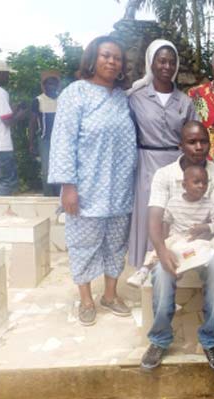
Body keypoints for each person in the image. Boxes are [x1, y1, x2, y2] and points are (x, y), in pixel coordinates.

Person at [48, 36, 137, 326]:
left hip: (119, 188)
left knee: (116, 244)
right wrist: (68, 186)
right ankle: (86, 299)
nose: (112, 61)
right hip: (86, 187)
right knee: (83, 244)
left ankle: (110, 295)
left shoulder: (122, 97)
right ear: (92, 59)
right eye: (106, 55)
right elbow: (64, 141)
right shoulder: (76, 94)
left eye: (117, 58)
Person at [141, 121, 214, 373]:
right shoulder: (164, 174)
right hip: (175, 243)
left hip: (206, 242)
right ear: (181, 145)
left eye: (203, 141)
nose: (199, 147)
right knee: (161, 273)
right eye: (192, 142)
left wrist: (202, 236)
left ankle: (211, 340)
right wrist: (162, 250)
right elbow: (155, 215)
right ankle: (159, 339)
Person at [126, 39, 199, 287]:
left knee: (174, 217)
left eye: (172, 62)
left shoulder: (184, 101)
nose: (167, 66)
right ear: (151, 62)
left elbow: (194, 135)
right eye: (162, 61)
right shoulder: (136, 98)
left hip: (177, 164)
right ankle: (146, 273)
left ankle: (173, 272)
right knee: (150, 215)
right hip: (147, 162)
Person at [0, 59, 26, 196]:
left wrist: (13, 109)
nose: (8, 77)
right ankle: (0, 208)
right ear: (0, 73)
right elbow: (8, 122)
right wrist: (20, 115)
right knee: (7, 181)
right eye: (7, 74)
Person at [28, 71, 61, 196]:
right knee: (46, 169)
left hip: (61, 141)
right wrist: (31, 143)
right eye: (49, 84)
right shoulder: (38, 100)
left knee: (61, 168)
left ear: (57, 86)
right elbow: (32, 123)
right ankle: (48, 196)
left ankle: (60, 195)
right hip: (45, 140)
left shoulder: (63, 100)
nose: (51, 87)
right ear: (44, 86)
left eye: (54, 84)